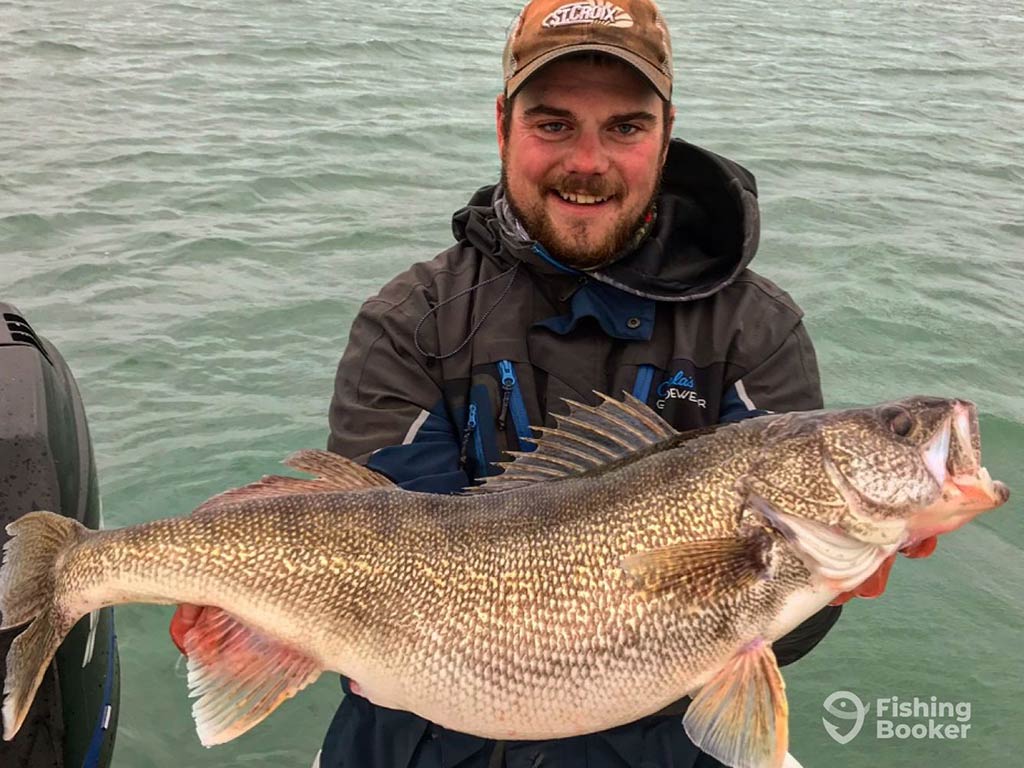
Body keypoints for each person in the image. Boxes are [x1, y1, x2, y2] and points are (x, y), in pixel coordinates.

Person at [171, 0, 936, 764]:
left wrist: (824, 585)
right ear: (503, 124)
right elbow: (390, 557)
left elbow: (776, 639)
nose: (588, 161)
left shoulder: (756, 329)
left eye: (626, 127)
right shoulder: (412, 318)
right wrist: (260, 633)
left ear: (666, 134)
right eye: (553, 123)